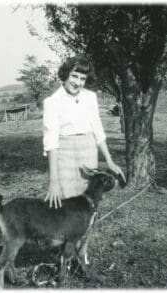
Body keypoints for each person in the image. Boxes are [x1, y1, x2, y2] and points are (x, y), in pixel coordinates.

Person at [43, 55, 125, 209]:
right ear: (66, 74)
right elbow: (51, 142)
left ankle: (85, 227)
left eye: (82, 78)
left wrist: (109, 160)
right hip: (64, 152)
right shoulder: (52, 102)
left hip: (88, 149)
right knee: (65, 198)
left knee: (88, 196)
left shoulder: (90, 97)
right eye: (74, 76)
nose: (77, 82)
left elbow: (98, 130)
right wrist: (53, 182)